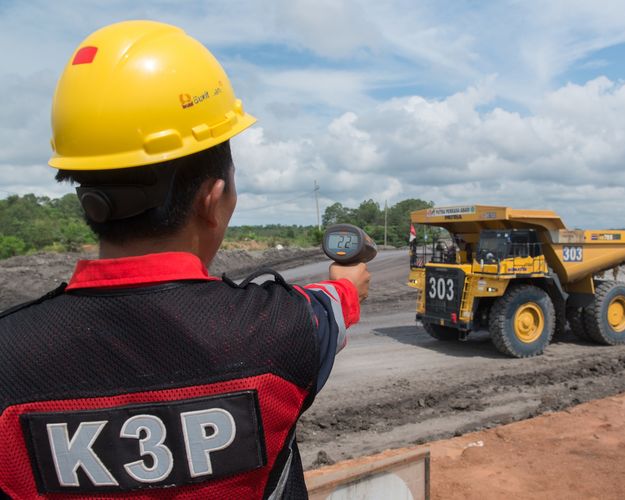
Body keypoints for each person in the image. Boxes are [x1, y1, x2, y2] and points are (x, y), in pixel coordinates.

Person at [0, 20, 369, 499]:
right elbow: (333, 304)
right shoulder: (285, 330)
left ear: (87, 196)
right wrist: (347, 282)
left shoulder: (9, 354)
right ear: (213, 199)